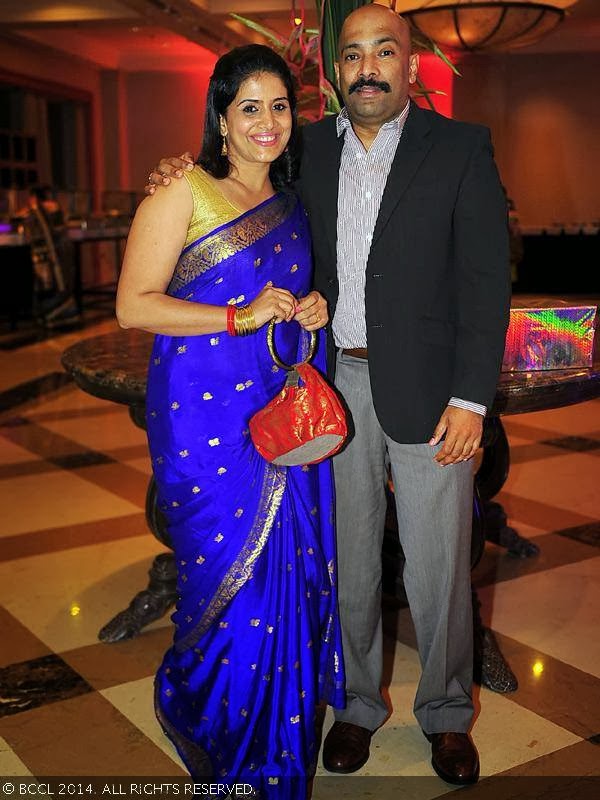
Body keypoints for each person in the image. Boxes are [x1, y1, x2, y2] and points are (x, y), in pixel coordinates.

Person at [146, 4, 511, 786]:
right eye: (354, 55)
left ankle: (446, 714)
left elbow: (487, 285)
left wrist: (472, 400)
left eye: (386, 51)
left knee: (438, 567)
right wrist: (173, 173)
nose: (369, 66)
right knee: (345, 562)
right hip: (331, 385)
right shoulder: (300, 147)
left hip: (430, 389)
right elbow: (229, 183)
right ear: (336, 72)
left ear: (412, 65)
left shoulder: (461, 147)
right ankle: (355, 705)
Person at [116, 44, 345, 796]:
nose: (267, 122)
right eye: (250, 107)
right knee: (227, 587)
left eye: (280, 106)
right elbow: (134, 304)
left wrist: (308, 313)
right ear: (221, 117)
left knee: (281, 590)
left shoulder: (290, 204)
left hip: (277, 419)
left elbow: (286, 315)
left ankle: (276, 751)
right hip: (202, 423)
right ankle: (218, 727)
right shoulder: (183, 189)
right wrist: (236, 315)